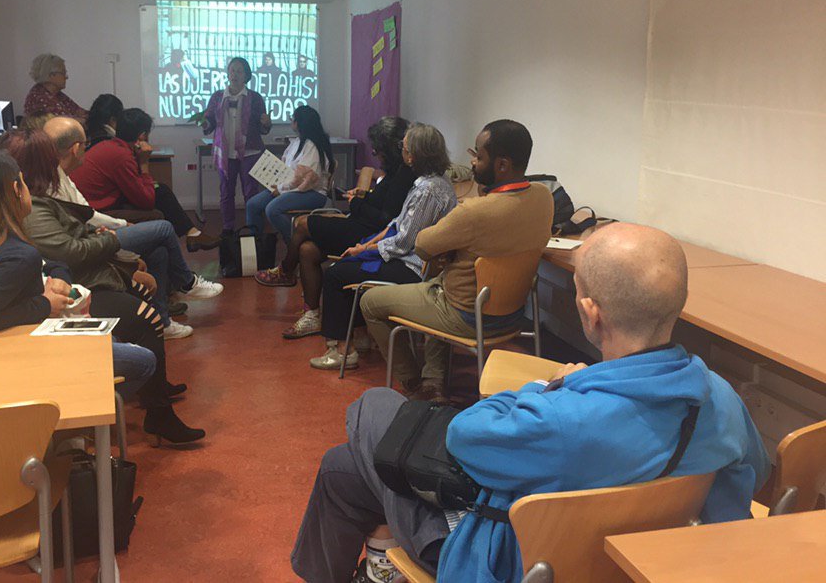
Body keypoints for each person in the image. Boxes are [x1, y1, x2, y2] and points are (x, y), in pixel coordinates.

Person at [291, 223, 772, 583]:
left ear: (589, 314)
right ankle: (379, 563)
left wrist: (549, 387)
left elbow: (462, 436)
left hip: (518, 562)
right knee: (345, 467)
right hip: (642, 563)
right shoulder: (720, 397)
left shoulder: (559, 418)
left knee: (371, 409)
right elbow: (759, 471)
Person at [0, 129, 206, 445]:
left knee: (150, 272)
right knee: (147, 307)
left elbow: (66, 248)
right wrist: (108, 242)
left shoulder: (36, 201)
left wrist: (108, 247)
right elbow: (67, 253)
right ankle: (157, 410)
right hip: (69, 295)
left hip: (74, 283)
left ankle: (157, 398)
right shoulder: (35, 207)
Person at [0, 150, 157, 424]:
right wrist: (44, 304)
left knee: (112, 341)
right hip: (26, 357)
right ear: (15, 190)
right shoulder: (17, 256)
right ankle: (74, 419)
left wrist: (59, 273)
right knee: (144, 361)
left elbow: (47, 261)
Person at [359, 120, 554, 401]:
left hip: (466, 315)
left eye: (478, 155)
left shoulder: (474, 213)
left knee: (370, 302)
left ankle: (413, 384)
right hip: (513, 315)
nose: (472, 163)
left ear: (501, 166)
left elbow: (423, 245)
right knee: (444, 281)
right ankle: (433, 380)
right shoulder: (543, 197)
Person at [43, 116, 223, 337]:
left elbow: (85, 212)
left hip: (93, 230)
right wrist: (144, 164)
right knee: (163, 226)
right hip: (92, 238)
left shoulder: (65, 172)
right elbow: (140, 200)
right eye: (85, 145)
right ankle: (186, 281)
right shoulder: (113, 157)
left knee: (158, 249)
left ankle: (163, 322)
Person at [303, 124, 458, 371]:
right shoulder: (428, 184)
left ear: (415, 154)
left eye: (405, 148)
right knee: (347, 265)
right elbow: (397, 223)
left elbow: (403, 242)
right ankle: (359, 337)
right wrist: (369, 243)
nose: (403, 152)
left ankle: (342, 350)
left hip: (413, 267)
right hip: (407, 257)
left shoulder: (429, 190)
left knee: (335, 274)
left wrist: (364, 250)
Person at [255, 116, 414, 289]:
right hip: (361, 222)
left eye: (377, 151)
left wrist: (355, 203)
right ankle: (312, 311)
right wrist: (363, 196)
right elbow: (382, 202)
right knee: (307, 250)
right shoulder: (395, 172)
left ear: (389, 150)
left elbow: (385, 218)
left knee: (302, 223)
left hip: (366, 231)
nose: (376, 156)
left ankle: (285, 271)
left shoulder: (402, 177)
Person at [71, 107, 221, 252]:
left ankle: (192, 234)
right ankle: (189, 241)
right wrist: (144, 163)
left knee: (160, 190)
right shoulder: (121, 156)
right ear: (142, 136)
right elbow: (145, 200)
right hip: (94, 213)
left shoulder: (110, 145)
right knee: (158, 216)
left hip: (90, 204)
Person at [201, 57, 272, 232]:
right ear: (227, 73)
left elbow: (263, 129)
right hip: (225, 153)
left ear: (246, 76)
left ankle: (253, 227)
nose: (235, 74)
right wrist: (204, 122)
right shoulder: (218, 97)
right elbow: (209, 121)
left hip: (250, 152)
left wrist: (266, 123)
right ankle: (228, 228)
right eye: (232, 70)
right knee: (226, 192)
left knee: (251, 192)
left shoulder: (255, 98)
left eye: (239, 71)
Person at [244, 105, 334, 242]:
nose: (291, 121)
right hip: (291, 187)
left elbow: (304, 181)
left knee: (272, 209)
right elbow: (285, 165)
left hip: (311, 193)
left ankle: (296, 242)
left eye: (292, 118)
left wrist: (280, 189)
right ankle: (256, 244)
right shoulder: (297, 142)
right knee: (252, 204)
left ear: (299, 123)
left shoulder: (312, 146)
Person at [23, 53, 88, 122]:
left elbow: (80, 112)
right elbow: (63, 124)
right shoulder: (39, 98)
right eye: (63, 73)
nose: (66, 77)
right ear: (52, 75)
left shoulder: (57, 94)